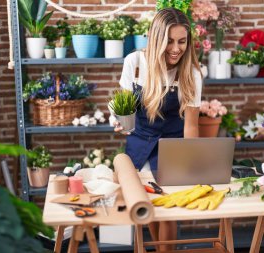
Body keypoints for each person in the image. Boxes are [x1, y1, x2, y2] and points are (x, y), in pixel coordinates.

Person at [115, 7, 203, 251]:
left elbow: (191, 125)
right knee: (148, 208)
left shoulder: (191, 74)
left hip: (172, 147)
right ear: (156, 39)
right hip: (139, 145)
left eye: (182, 41)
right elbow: (125, 110)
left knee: (169, 208)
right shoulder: (134, 63)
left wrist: (190, 163)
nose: (176, 48)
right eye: (169, 41)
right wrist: (119, 120)